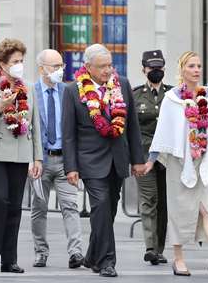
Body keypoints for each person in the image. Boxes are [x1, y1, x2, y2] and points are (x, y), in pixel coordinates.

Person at [62, 43, 144, 277]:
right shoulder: (72, 90)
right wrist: (71, 167)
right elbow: (68, 133)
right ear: (88, 67)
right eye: (102, 66)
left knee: (108, 209)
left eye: (110, 65)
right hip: (89, 160)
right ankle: (107, 261)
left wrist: (137, 160)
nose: (108, 70)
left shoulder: (123, 85)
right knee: (100, 205)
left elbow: (133, 127)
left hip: (118, 158)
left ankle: (92, 255)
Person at [146, 51, 208, 276]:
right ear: (182, 69)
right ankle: (179, 258)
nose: (196, 70)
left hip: (205, 160)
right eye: (191, 66)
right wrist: (152, 160)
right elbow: (163, 131)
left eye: (199, 65)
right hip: (179, 161)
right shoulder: (173, 99)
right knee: (179, 210)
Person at [0, 38, 43, 274]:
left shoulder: (29, 88)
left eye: (22, 61)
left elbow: (35, 125)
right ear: (2, 64)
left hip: (20, 152)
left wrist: (38, 158)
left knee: (14, 206)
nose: (19, 65)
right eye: (15, 61)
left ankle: (10, 259)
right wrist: (0, 108)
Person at [31, 49, 84, 269]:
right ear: (42, 68)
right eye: (55, 66)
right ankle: (41, 252)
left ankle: (76, 253)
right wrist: (32, 159)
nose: (60, 70)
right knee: (39, 208)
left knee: (70, 206)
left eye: (61, 65)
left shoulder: (69, 91)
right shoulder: (31, 92)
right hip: (40, 161)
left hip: (65, 160)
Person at [132, 50, 171, 265]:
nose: (155, 71)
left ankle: (159, 248)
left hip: (168, 157)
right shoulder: (136, 95)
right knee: (148, 200)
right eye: (151, 68)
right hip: (144, 156)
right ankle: (149, 246)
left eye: (159, 67)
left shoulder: (173, 94)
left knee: (164, 203)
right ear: (144, 69)